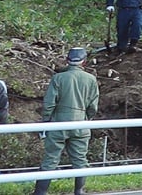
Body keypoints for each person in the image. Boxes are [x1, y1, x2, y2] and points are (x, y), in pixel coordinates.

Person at [33, 47, 99, 195]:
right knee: (80, 160)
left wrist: (46, 122)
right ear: (84, 62)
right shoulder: (91, 79)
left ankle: (40, 192)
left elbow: (49, 104)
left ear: (67, 60)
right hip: (81, 124)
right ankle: (79, 190)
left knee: (50, 159)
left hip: (58, 123)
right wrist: (86, 118)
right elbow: (93, 106)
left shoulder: (58, 78)